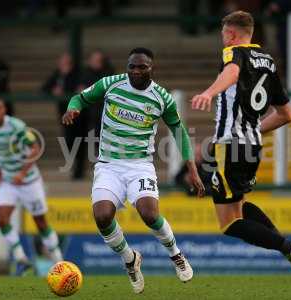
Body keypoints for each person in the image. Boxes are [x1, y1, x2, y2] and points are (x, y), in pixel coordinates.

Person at [63, 47, 205, 293]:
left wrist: (192, 168)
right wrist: (72, 107)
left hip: (140, 165)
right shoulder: (110, 84)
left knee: (149, 213)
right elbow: (81, 97)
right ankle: (130, 259)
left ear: (152, 68)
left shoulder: (162, 97)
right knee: (102, 216)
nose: (136, 71)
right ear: (127, 67)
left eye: (142, 67)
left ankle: (176, 255)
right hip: (109, 164)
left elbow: (179, 132)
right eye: (132, 66)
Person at [191, 11, 291, 282]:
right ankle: (290, 248)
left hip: (231, 146)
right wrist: (252, 130)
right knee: (240, 205)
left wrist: (208, 92)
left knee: (228, 223)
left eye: (223, 34)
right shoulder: (269, 62)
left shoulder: (233, 53)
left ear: (232, 35)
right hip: (252, 146)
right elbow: (286, 114)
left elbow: (233, 71)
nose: (223, 39)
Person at [0, 96, 63, 276]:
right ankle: (21, 259)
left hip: (30, 181)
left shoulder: (17, 127)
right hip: (8, 182)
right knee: (1, 218)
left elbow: (35, 148)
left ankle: (59, 261)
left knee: (40, 223)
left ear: (4, 109)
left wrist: (23, 173)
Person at [42, 52, 84, 179]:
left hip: (79, 113)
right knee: (69, 139)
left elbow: (80, 88)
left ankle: (79, 170)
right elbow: (45, 88)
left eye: (66, 62)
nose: (63, 65)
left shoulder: (78, 74)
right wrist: (54, 90)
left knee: (79, 139)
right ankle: (74, 164)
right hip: (64, 113)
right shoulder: (57, 74)